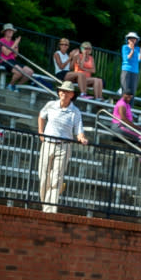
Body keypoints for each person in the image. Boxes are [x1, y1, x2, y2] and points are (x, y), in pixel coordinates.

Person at [37, 81, 88, 214]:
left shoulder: (75, 112)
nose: (63, 93)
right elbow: (41, 116)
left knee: (57, 179)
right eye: (61, 90)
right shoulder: (50, 105)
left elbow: (79, 130)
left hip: (64, 147)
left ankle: (50, 210)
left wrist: (81, 137)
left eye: (66, 91)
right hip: (47, 144)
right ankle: (45, 206)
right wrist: (40, 132)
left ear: (72, 95)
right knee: (43, 177)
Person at [0, 22, 34, 90]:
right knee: (19, 71)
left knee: (30, 72)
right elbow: (6, 53)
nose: (11, 32)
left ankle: (17, 86)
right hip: (4, 61)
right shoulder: (1, 41)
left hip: (13, 61)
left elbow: (15, 55)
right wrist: (15, 43)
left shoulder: (12, 42)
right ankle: (10, 85)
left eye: (12, 31)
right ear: (5, 32)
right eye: (9, 30)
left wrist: (16, 45)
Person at [121, 31, 141, 96]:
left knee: (132, 92)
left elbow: (140, 59)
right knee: (125, 91)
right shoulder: (125, 47)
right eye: (131, 38)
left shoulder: (138, 49)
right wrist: (132, 50)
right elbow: (127, 58)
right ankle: (123, 106)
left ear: (136, 40)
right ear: (128, 40)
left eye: (134, 38)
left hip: (135, 72)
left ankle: (130, 106)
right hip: (126, 71)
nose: (133, 40)